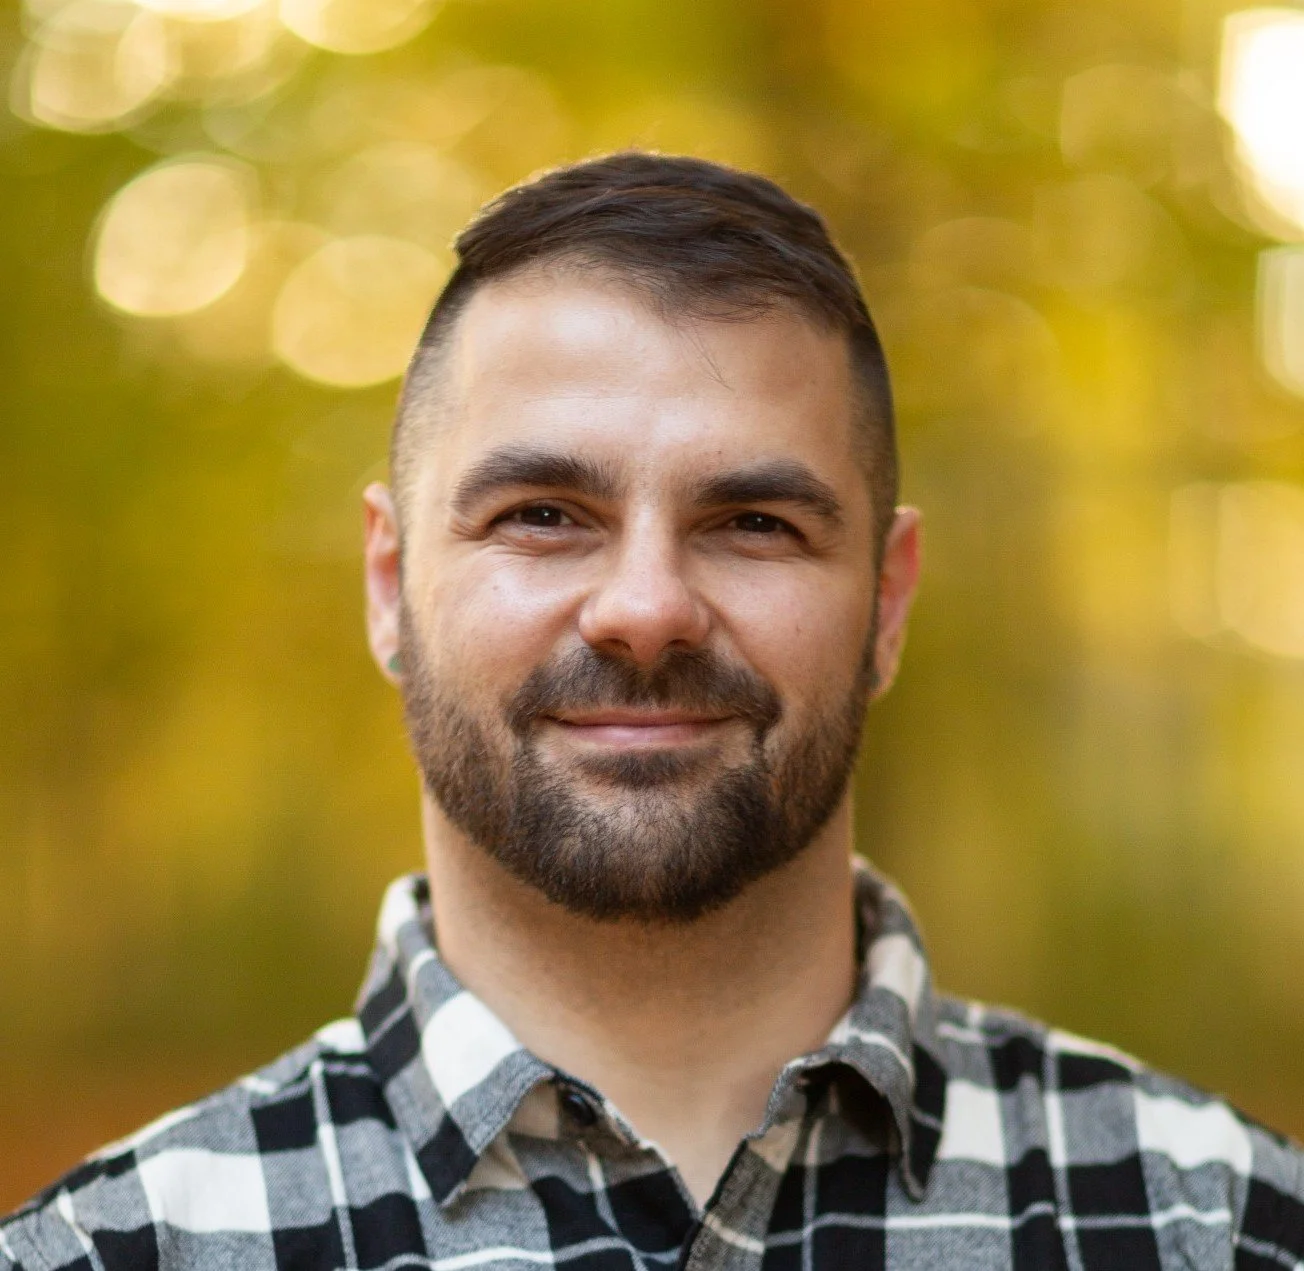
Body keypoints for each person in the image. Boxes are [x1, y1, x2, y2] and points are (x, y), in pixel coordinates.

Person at [3, 152, 1301, 1271]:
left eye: (755, 522)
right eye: (542, 515)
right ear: (390, 585)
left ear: (887, 601)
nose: (645, 609)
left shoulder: (1219, 1225)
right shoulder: (107, 1253)